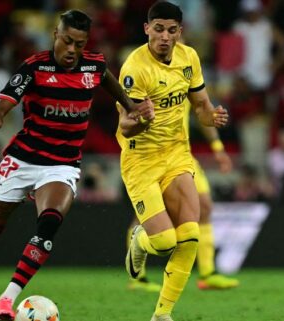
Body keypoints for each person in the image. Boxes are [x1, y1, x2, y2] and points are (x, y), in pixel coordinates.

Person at [0, 10, 153, 321]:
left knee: (48, 226)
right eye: (68, 41)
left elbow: (111, 84)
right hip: (22, 159)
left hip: (61, 166)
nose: (73, 50)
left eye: (80, 43)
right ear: (55, 36)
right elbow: (8, 97)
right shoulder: (35, 66)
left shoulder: (94, 65)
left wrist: (131, 106)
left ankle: (6, 300)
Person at [116, 2, 228, 321]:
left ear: (180, 31)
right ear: (147, 29)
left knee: (189, 234)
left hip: (177, 154)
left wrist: (211, 117)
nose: (165, 36)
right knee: (164, 242)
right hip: (141, 160)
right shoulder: (134, 68)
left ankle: (162, 315)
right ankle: (139, 242)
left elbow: (201, 105)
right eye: (159, 29)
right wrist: (142, 119)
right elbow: (125, 125)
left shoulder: (188, 57)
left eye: (172, 30)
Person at [126, 108, 239, 292]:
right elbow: (128, 117)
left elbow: (203, 109)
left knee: (205, 207)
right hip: (150, 156)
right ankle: (138, 277)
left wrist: (217, 148)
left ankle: (207, 274)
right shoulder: (146, 81)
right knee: (144, 217)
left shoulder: (187, 80)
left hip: (182, 155)